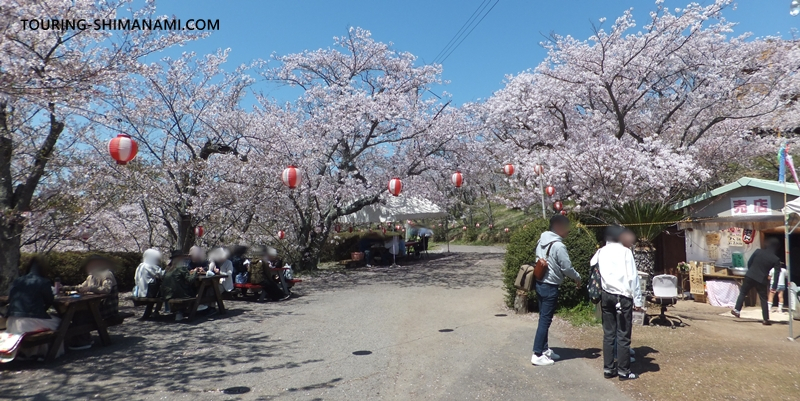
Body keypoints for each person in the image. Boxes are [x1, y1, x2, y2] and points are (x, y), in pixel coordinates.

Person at [592, 226, 642, 381]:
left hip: (607, 295)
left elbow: (592, 263)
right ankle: (623, 371)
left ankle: (608, 369)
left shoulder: (601, 251)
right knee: (623, 335)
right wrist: (638, 299)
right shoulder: (625, 252)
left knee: (609, 334)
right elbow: (633, 277)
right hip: (623, 296)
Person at [531, 215, 582, 367]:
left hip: (540, 282)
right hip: (550, 285)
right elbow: (566, 268)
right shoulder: (559, 246)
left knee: (543, 318)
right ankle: (537, 354)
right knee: (545, 321)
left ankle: (544, 349)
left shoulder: (542, 239)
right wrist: (577, 277)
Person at [4, 256, 63, 359]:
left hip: (11, 321)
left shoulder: (18, 281)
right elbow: (49, 300)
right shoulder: (43, 282)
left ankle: (29, 352)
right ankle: (47, 352)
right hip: (29, 322)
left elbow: (10, 298)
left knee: (42, 322)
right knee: (60, 322)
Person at [62, 255, 119, 350]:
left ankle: (84, 341)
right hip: (96, 306)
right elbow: (81, 287)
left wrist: (90, 288)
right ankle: (83, 337)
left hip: (106, 307)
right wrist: (65, 288)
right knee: (74, 313)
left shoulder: (107, 274)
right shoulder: (91, 276)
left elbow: (106, 289)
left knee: (80, 315)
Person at [732, 238, 781, 325]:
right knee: (763, 299)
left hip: (750, 275)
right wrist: (774, 286)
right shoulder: (776, 259)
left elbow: (749, 262)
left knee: (743, 292)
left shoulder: (758, 251)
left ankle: (737, 310)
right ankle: (766, 319)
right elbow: (777, 273)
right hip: (761, 279)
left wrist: (751, 271)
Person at [161, 250, 198, 321]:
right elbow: (190, 280)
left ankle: (179, 311)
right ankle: (182, 312)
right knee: (193, 291)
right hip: (176, 294)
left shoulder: (168, 268)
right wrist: (195, 272)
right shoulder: (181, 268)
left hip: (166, 293)